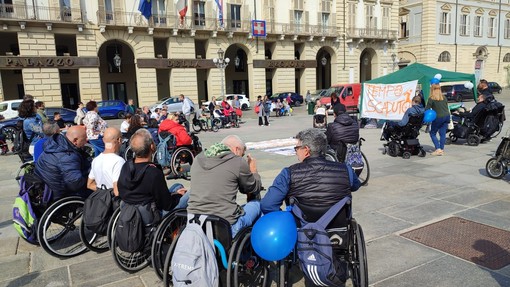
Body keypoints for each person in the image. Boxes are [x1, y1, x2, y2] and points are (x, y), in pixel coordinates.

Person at [261, 128, 360, 214]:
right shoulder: (346, 170)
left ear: (306, 150)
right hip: (337, 226)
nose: (296, 152)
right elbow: (356, 186)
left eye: (297, 148)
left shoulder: (289, 173)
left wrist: (286, 218)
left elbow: (267, 205)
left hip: (302, 228)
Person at [187, 135, 262, 237]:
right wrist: (253, 170)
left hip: (195, 222)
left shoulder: (198, 158)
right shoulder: (237, 161)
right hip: (224, 225)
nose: (241, 157)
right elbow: (251, 188)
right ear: (236, 149)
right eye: (242, 154)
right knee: (257, 205)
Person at [117, 129, 188, 214]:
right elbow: (167, 205)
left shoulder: (126, 165)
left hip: (132, 209)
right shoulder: (153, 172)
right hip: (152, 214)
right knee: (190, 194)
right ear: (152, 146)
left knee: (177, 186)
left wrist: (174, 194)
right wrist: (178, 196)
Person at [35, 126, 92, 200]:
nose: (87, 140)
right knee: (100, 193)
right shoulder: (68, 156)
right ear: (75, 140)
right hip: (59, 195)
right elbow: (75, 184)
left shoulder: (55, 145)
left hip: (46, 188)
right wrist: (90, 174)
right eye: (84, 139)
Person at [87, 127, 126, 196]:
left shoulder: (96, 160)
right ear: (119, 140)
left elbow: (89, 185)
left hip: (101, 201)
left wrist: (103, 192)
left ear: (103, 140)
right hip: (113, 202)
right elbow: (116, 191)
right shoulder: (119, 161)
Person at [426, 83, 450, 156]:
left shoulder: (431, 98)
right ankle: (441, 149)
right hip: (446, 116)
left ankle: (438, 149)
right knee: (442, 134)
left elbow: (427, 109)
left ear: (432, 90)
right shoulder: (444, 97)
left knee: (432, 133)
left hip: (438, 117)